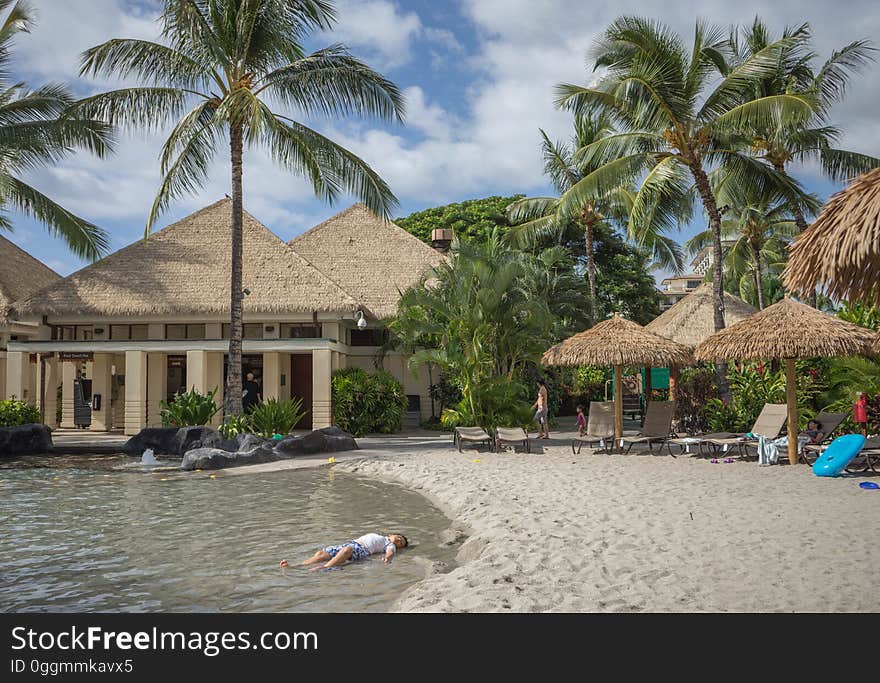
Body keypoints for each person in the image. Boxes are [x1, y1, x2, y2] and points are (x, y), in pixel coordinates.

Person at [280, 533, 408, 570]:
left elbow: (390, 552)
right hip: (351, 542)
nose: (398, 541)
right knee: (321, 554)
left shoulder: (389, 544)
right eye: (399, 538)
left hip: (362, 550)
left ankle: (323, 568)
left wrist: (388, 558)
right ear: (391, 534)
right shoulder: (382, 537)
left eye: (401, 543)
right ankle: (297, 566)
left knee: (347, 551)